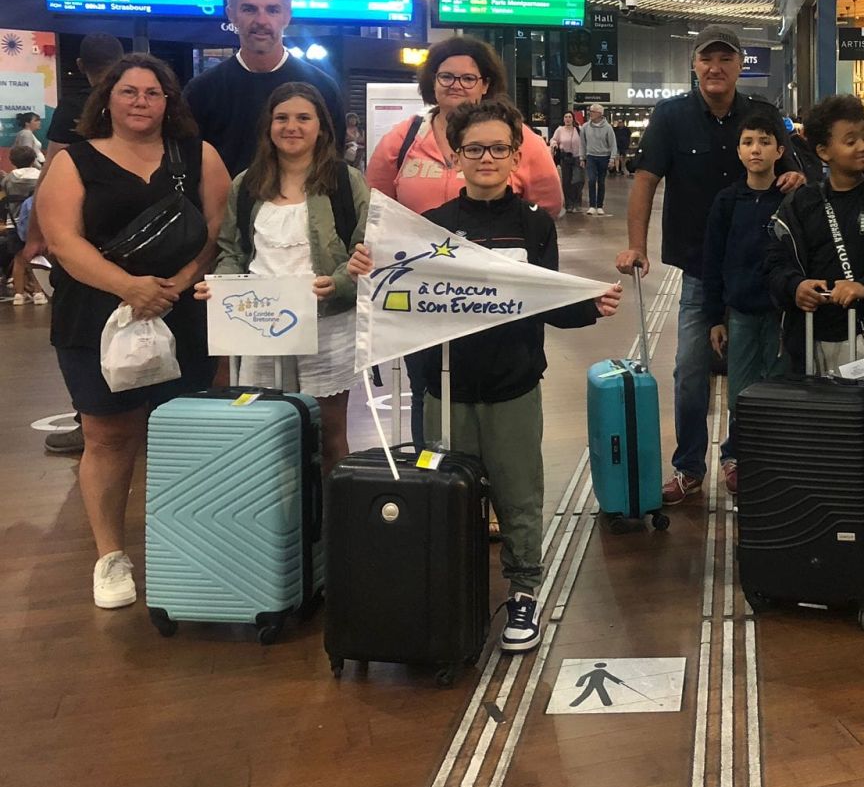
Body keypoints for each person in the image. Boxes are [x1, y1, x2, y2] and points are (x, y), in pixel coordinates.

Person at [350, 99, 623, 654]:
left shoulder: (534, 224)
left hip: (512, 387)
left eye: (499, 148)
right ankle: (451, 585)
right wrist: (368, 271)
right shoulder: (430, 227)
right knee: (446, 494)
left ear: (516, 155)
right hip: (444, 389)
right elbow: (403, 296)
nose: (487, 158)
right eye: (474, 148)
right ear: (456, 156)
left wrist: (589, 305)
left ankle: (522, 592)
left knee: (518, 495)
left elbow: (545, 299)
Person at [36, 53, 229, 608]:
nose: (141, 101)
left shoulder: (198, 155)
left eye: (152, 92)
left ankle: (187, 544)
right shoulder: (74, 161)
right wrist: (129, 287)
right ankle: (110, 555)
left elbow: (218, 229)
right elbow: (63, 240)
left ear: (169, 102)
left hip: (183, 312)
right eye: (129, 91)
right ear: (108, 98)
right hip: (95, 316)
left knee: (186, 431)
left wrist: (179, 282)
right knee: (108, 436)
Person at [616, 25, 806, 506]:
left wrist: (796, 178)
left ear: (741, 65)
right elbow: (645, 180)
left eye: (725, 59)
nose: (715, 68)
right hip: (701, 269)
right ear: (695, 65)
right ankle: (689, 466)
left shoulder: (763, 114)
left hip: (756, 273)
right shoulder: (671, 116)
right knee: (689, 370)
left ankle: (740, 456)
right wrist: (636, 246)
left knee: (758, 370)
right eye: (707, 59)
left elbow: (798, 171)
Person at [366, 36, 562, 448]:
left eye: (467, 78)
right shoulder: (403, 139)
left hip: (497, 305)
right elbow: (376, 210)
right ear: (432, 82)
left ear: (485, 83)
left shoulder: (521, 139)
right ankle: (435, 477)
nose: (456, 85)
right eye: (446, 76)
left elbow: (546, 208)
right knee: (426, 391)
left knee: (503, 404)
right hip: (426, 299)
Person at [195, 83, 368, 470]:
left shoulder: (346, 181)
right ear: (268, 126)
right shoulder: (246, 184)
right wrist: (221, 288)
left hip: (328, 323)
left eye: (303, 118)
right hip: (260, 324)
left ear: (321, 127)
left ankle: (329, 506)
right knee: (266, 427)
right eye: (282, 118)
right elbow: (232, 250)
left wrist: (340, 283)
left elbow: (365, 247)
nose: (292, 126)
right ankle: (278, 505)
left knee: (329, 430)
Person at [767, 92, 864, 376]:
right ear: (824, 152)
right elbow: (775, 264)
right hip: (810, 339)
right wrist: (795, 287)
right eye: (850, 141)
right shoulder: (799, 204)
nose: (863, 147)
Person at [33, 34, 125, 455]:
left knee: (86, 329)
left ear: (82, 67)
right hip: (144, 242)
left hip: (85, 235)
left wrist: (36, 234)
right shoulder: (154, 113)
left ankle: (89, 419)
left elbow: (52, 167)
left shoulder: (75, 105)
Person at [701, 109, 788, 496]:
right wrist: (714, 317)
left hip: (781, 313)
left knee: (778, 386)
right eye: (748, 142)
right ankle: (735, 454)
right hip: (740, 312)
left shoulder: (791, 199)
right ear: (738, 151)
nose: (756, 150)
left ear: (779, 150)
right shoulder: (727, 201)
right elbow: (713, 261)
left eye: (765, 142)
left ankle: (772, 456)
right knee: (741, 390)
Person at [182, 0, 342, 176]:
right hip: (224, 197)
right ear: (231, 14)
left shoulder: (322, 88)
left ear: (287, 16)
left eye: (273, 10)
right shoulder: (201, 91)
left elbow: (332, 165)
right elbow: (189, 166)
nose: (261, 20)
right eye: (249, 9)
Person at [4, 144, 44, 304]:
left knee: (19, 258)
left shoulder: (8, 179)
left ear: (12, 161)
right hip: (36, 223)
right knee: (38, 258)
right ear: (34, 160)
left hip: (13, 223)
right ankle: (39, 292)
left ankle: (18, 295)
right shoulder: (41, 176)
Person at [581, 104, 620, 215]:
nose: (590, 113)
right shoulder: (585, 127)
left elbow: (613, 144)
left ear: (599, 114)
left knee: (601, 182)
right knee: (591, 180)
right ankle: (592, 205)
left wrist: (612, 159)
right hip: (591, 156)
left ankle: (599, 206)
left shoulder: (608, 128)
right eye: (590, 111)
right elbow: (582, 143)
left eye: (593, 111)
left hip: (604, 157)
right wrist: (582, 157)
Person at [550, 112, 585, 213]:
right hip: (565, 158)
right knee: (567, 182)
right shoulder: (560, 130)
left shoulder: (579, 129)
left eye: (570, 117)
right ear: (563, 119)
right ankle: (569, 204)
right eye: (566, 117)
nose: (568, 119)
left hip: (577, 157)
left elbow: (584, 142)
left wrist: (584, 157)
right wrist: (554, 144)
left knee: (578, 181)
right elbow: (553, 139)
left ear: (573, 119)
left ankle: (577, 203)